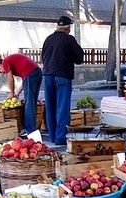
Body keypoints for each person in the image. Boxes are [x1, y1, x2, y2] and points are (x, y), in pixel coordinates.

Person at [41, 15, 84, 145]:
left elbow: (43, 57)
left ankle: (53, 136)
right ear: (68, 28)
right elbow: (79, 58)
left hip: (48, 75)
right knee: (62, 107)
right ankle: (60, 138)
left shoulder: (48, 39)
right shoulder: (68, 39)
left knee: (50, 107)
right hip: (62, 76)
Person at [0, 54, 42, 135]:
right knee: (32, 102)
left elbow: (11, 79)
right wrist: (17, 93)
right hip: (37, 72)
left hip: (31, 74)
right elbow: (25, 81)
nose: (3, 73)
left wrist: (12, 93)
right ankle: (33, 129)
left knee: (29, 104)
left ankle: (30, 130)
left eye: (1, 72)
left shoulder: (5, 61)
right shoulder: (15, 63)